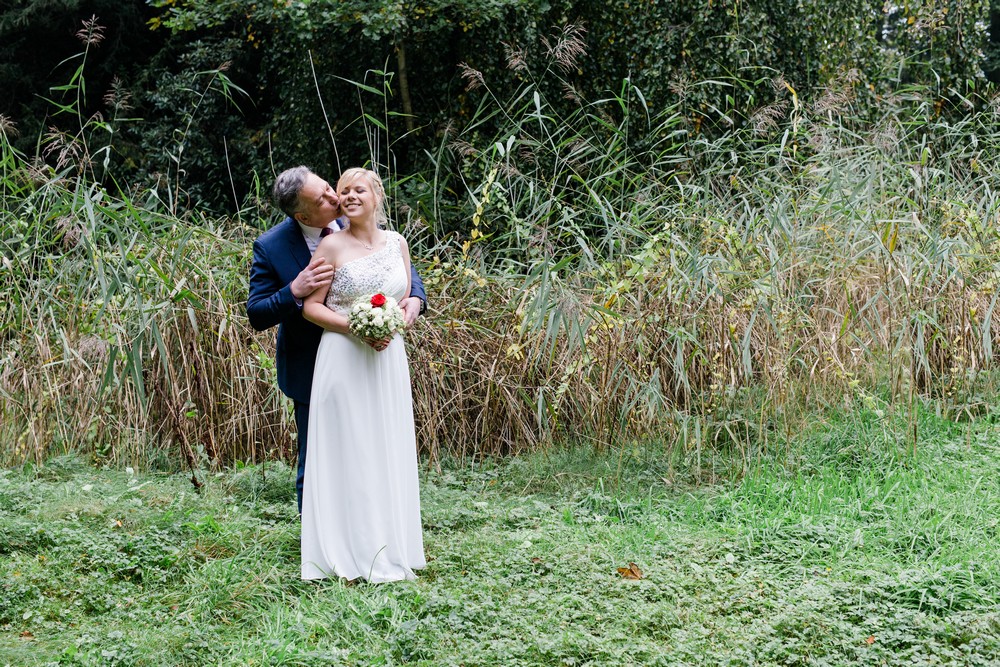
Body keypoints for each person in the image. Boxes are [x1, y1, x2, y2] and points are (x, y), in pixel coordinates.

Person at [246, 166, 426, 513]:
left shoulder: (355, 214)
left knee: (372, 448)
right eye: (323, 198)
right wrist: (293, 291)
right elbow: (256, 313)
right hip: (313, 363)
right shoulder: (271, 247)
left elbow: (397, 265)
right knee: (317, 456)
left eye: (330, 187)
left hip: (375, 358)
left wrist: (416, 298)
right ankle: (318, 540)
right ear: (303, 214)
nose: (334, 197)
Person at [299, 167, 425, 582]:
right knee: (350, 449)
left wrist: (407, 311)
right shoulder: (331, 245)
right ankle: (349, 552)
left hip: (388, 356)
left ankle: (392, 544)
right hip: (344, 356)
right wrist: (355, 326)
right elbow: (311, 308)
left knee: (385, 444)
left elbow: (405, 295)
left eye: (358, 190)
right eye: (342, 192)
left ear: (377, 195)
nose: (349, 196)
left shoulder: (398, 243)